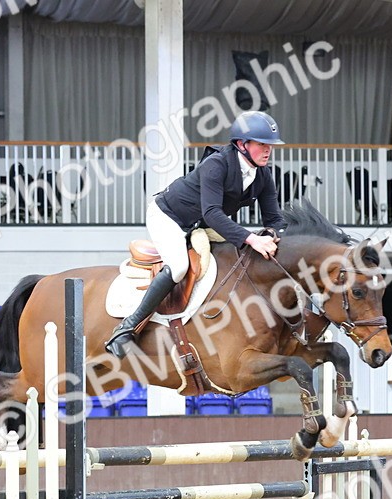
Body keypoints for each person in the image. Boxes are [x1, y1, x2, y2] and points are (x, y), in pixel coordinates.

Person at [104, 110, 287, 358]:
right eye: (262, 144)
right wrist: (252, 238)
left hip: (200, 224)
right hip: (169, 217)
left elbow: (274, 218)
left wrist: (274, 235)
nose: (268, 151)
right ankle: (128, 327)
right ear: (242, 144)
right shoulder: (216, 164)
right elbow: (212, 212)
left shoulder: (263, 174)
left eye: (270, 146)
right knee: (178, 266)